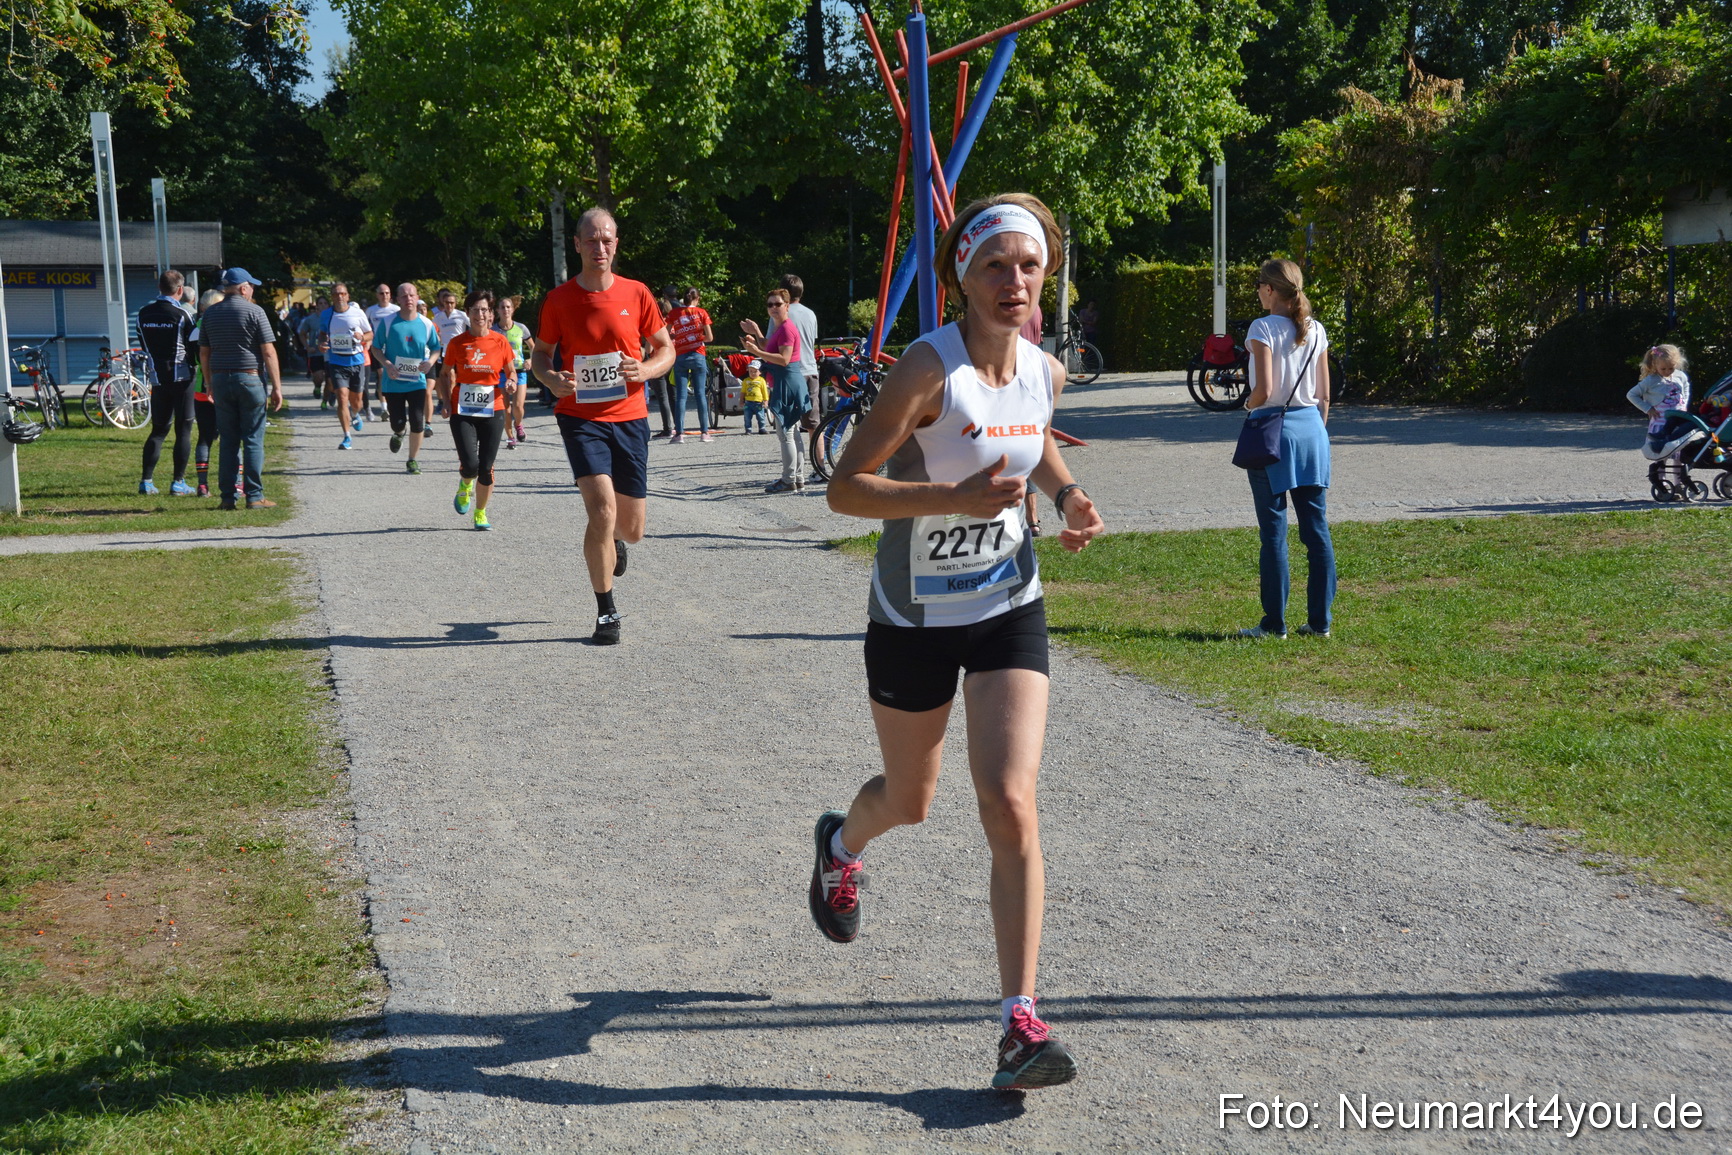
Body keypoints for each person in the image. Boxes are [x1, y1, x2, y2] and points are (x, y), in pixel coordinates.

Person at [814, 193, 1104, 1092]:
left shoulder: (1046, 369)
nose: (1015, 281)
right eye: (995, 266)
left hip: (1008, 602)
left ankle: (1020, 1023)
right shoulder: (926, 369)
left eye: (1029, 265)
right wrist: (953, 498)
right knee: (910, 799)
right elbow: (845, 488)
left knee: (1010, 800)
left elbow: (1030, 438)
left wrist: (1065, 495)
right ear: (962, 278)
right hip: (913, 618)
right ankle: (840, 847)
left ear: (1047, 272)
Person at [531, 207, 674, 645]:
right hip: (580, 417)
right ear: (577, 244)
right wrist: (551, 378)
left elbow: (665, 349)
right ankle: (606, 611)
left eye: (607, 239)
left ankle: (615, 542)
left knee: (631, 528)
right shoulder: (559, 300)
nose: (600, 247)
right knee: (601, 510)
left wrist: (645, 370)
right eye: (591, 240)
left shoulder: (637, 293)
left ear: (616, 244)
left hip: (630, 417)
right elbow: (540, 354)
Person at [1238, 257, 1334, 640]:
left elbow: (1263, 390)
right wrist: (1315, 428)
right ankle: (1320, 622)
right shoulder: (1316, 329)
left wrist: (1248, 406)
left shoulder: (1262, 327)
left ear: (1269, 289)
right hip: (1312, 430)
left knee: (1274, 532)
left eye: (1259, 286)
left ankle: (1274, 624)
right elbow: (1324, 396)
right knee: (1316, 530)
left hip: (1272, 431)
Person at [197, 267, 283, 510]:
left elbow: (204, 353)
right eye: (251, 286)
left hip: (221, 380)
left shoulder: (210, 313)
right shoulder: (256, 311)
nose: (253, 290)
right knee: (253, 439)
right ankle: (254, 496)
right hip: (250, 378)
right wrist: (277, 387)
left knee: (228, 440)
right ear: (244, 288)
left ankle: (227, 497)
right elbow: (268, 352)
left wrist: (209, 382)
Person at [439, 290, 516, 530]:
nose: (480, 315)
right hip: (463, 409)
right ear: (468, 313)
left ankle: (480, 513)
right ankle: (465, 485)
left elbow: (511, 372)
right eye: (475, 310)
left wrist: (511, 382)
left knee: (486, 468)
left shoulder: (500, 341)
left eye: (484, 310)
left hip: (493, 408)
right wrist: (445, 401)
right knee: (471, 464)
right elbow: (444, 373)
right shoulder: (457, 343)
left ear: (490, 314)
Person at [137, 269, 198, 496]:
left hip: (158, 378)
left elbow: (143, 343)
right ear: (180, 290)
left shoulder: (143, 313)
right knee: (184, 430)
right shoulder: (183, 315)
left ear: (159, 288)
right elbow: (194, 345)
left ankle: (146, 481)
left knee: (158, 430)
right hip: (183, 378)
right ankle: (178, 482)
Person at [373, 283, 443, 474]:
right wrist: (387, 364)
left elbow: (436, 348)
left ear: (417, 297)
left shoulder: (426, 324)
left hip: (417, 381)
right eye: (404, 296)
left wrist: (430, 362)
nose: (408, 299)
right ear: (397, 300)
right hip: (393, 381)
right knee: (398, 422)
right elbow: (376, 348)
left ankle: (412, 460)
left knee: (418, 421)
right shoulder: (388, 322)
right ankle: (399, 432)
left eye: (412, 295)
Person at [740, 289, 806, 492]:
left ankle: (789, 480)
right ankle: (797, 478)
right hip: (788, 382)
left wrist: (755, 351)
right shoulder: (781, 327)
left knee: (786, 434)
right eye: (770, 305)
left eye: (778, 304)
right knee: (792, 433)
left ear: (787, 306)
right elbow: (770, 347)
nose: (773, 308)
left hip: (786, 383)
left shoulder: (786, 328)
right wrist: (757, 334)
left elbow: (784, 359)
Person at [320, 283, 373, 450]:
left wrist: (361, 337)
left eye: (342, 294)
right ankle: (347, 436)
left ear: (348, 296)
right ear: (332, 297)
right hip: (336, 361)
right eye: (336, 294)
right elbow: (322, 333)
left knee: (356, 402)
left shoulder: (357, 313)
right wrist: (322, 343)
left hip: (356, 361)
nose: (339, 297)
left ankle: (355, 414)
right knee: (342, 398)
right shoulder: (326, 314)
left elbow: (370, 333)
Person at [665, 287, 714, 444]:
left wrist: (680, 337)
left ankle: (679, 434)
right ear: (697, 299)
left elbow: (666, 334)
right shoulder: (701, 312)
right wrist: (695, 337)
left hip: (680, 356)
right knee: (700, 394)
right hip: (698, 354)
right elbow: (710, 337)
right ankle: (704, 433)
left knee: (681, 396)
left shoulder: (674, 313)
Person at [1627, 344, 1693, 458]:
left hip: (1678, 421)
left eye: (1671, 368)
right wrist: (1647, 408)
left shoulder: (1680, 376)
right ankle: (1660, 468)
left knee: (1679, 452)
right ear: (1655, 364)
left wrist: (1684, 403)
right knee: (1661, 453)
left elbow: (1686, 387)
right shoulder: (1651, 380)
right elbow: (1631, 394)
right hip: (1661, 422)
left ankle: (1679, 469)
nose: (1667, 371)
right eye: (1663, 369)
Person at [190, 289, 223, 497]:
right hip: (224, 386)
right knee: (231, 436)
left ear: (202, 307)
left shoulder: (196, 328)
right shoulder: (225, 325)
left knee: (204, 437)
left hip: (202, 388)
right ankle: (237, 483)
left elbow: (193, 358)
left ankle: (202, 485)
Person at [780, 274, 820, 431]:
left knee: (789, 424)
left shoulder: (781, 313)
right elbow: (811, 341)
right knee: (813, 425)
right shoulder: (811, 314)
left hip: (791, 371)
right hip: (810, 370)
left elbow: (769, 344)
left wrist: (755, 334)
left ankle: (796, 450)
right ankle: (818, 449)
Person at [495, 295, 532, 448]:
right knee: (505, 409)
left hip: (519, 371)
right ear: (498, 310)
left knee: (517, 407)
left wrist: (530, 360)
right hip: (501, 373)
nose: (505, 310)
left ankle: (518, 424)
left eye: (508, 307)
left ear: (513, 310)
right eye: (502, 307)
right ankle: (510, 438)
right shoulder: (493, 330)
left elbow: (534, 347)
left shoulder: (521, 328)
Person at [430, 288, 468, 428]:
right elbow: (432, 330)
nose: (449, 305)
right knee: (447, 376)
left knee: (459, 377)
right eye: (447, 302)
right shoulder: (438, 317)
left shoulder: (462, 315)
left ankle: (456, 400)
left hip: (461, 349)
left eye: (452, 302)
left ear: (455, 303)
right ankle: (449, 401)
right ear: (443, 303)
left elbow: (474, 327)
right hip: (445, 350)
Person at [366, 282, 400, 422]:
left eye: (387, 293)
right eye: (381, 293)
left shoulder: (396, 309)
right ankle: (384, 408)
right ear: (377, 295)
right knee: (381, 374)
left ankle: (395, 403)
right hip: (378, 348)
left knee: (395, 375)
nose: (384, 295)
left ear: (390, 295)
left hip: (394, 348)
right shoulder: (371, 311)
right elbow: (366, 328)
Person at [298, 295, 328, 403]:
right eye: (320, 303)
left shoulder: (333, 317)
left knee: (330, 379)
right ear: (317, 306)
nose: (323, 305)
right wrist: (307, 347)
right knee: (318, 377)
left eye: (325, 303)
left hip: (330, 353)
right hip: (315, 352)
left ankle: (328, 397)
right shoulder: (310, 319)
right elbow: (302, 334)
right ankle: (317, 387)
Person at [740, 359, 769, 433]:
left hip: (758, 402)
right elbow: (743, 392)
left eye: (755, 371)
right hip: (748, 402)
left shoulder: (761, 380)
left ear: (760, 372)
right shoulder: (746, 381)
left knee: (761, 416)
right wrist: (741, 400)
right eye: (751, 371)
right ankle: (748, 429)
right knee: (747, 416)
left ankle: (762, 428)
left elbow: (764, 392)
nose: (753, 373)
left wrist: (765, 401)